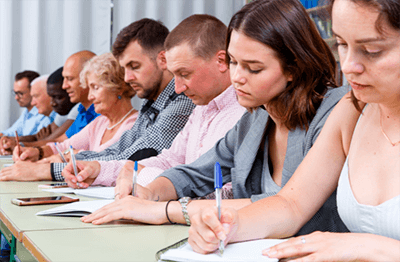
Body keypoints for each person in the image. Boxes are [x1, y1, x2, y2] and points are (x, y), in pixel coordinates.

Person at [80, 0, 348, 238]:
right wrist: (148, 193)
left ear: (294, 67)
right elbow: (195, 173)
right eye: (233, 62)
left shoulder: (332, 113)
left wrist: (166, 210)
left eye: (253, 68)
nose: (237, 77)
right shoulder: (255, 120)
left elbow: (285, 205)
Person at [187, 0, 400, 260]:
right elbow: (292, 203)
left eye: (371, 50)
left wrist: (368, 247)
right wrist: (232, 224)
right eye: (343, 44)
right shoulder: (353, 109)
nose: (347, 66)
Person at [62, 15, 246, 200]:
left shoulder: (245, 112)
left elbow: (226, 193)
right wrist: (101, 169)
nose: (177, 88)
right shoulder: (200, 109)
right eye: (175, 75)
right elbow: (170, 160)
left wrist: (146, 178)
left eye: (184, 74)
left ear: (222, 61)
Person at [0, 18, 195, 182]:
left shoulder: (182, 102)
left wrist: (52, 169)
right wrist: (59, 161)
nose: (127, 78)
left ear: (162, 60)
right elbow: (120, 149)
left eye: (134, 66)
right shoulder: (151, 104)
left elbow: (139, 156)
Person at [19, 53, 138, 162]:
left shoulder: (135, 123)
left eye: (95, 88)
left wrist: (64, 155)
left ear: (120, 87)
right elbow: (64, 146)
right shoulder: (100, 122)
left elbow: (99, 157)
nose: (90, 96)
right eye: (89, 88)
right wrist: (36, 152)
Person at [0, 67, 78, 153]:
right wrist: (11, 141)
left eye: (35, 96)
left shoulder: (75, 110)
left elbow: (53, 141)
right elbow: (38, 138)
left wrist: (17, 145)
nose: (53, 103)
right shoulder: (61, 114)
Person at [0, 70, 45, 137]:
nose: (16, 98)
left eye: (20, 93)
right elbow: (10, 132)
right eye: (15, 93)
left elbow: (37, 140)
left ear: (34, 90)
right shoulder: (27, 113)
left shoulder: (44, 114)